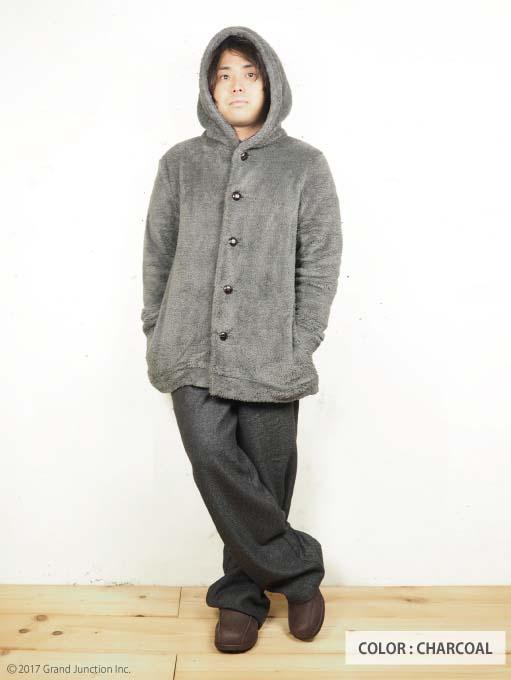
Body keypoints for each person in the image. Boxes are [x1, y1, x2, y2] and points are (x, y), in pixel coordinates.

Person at [141, 25, 343, 653]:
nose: (236, 86)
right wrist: (155, 325)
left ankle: (240, 597)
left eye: (249, 74)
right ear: (208, 87)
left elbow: (320, 259)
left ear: (271, 82)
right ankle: (299, 575)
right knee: (213, 460)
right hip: (188, 347)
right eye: (224, 75)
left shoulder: (305, 164)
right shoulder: (180, 163)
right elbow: (158, 252)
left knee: (268, 473)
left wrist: (301, 339)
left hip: (271, 352)